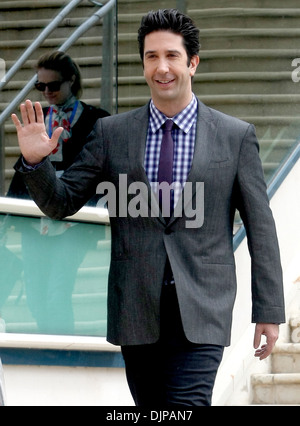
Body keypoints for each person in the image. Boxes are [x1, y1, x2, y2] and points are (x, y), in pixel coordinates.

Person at [11, 9, 285, 406]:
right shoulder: (111, 133)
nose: (162, 67)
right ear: (142, 64)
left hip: (203, 307)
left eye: (172, 56)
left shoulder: (234, 136)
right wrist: (36, 164)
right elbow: (61, 202)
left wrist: (269, 310)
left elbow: (261, 228)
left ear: (192, 62)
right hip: (136, 308)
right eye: (151, 57)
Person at [7, 51, 109, 334]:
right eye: (41, 87)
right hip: (36, 218)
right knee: (36, 296)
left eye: (54, 85)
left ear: (71, 80)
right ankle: (51, 345)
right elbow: (24, 169)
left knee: (57, 292)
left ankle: (62, 352)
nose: (48, 92)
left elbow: (103, 170)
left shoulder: (96, 120)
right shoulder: (39, 120)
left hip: (75, 218)